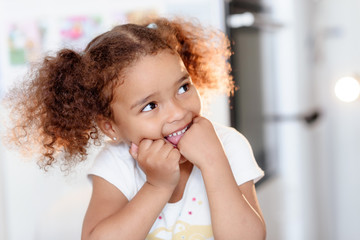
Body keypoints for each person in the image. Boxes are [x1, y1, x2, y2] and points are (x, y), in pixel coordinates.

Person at [4, 17, 266, 239]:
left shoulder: (228, 145)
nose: (178, 112)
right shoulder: (117, 164)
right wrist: (157, 187)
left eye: (183, 88)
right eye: (150, 106)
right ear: (111, 127)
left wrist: (214, 162)